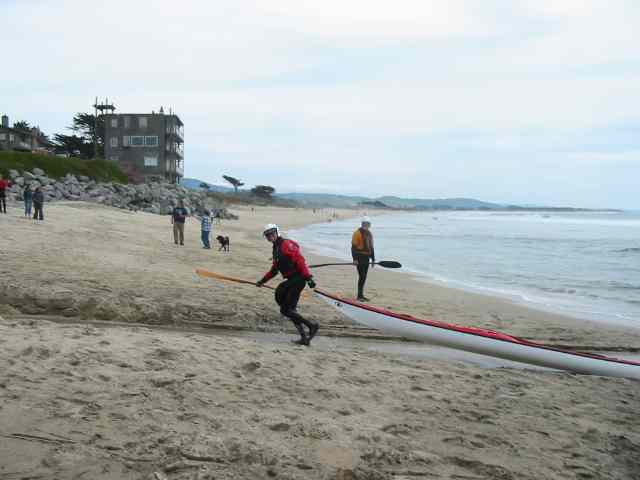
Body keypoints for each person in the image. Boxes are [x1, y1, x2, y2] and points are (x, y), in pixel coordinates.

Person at [257, 224, 319, 346]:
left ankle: (312, 326)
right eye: (268, 235)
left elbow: (300, 261)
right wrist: (262, 281)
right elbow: (274, 270)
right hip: (291, 280)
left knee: (285, 309)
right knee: (288, 307)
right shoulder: (275, 248)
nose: (270, 236)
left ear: (277, 232)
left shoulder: (286, 244)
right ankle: (304, 338)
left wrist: (308, 278)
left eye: (272, 234)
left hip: (299, 279)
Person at [351, 216, 375, 301]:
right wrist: (354, 259)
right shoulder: (357, 233)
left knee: (364, 277)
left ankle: (361, 295)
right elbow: (353, 247)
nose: (367, 225)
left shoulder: (369, 234)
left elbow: (371, 247)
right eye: (365, 224)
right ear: (362, 224)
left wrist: (373, 259)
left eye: (368, 224)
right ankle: (359, 296)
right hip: (359, 257)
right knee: (362, 276)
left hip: (366, 258)